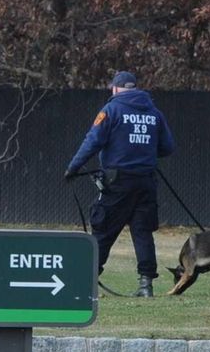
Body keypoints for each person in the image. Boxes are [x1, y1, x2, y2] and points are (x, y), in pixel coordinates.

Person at [64, 70, 175, 297]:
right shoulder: (154, 113)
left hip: (118, 181)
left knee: (103, 228)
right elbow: (167, 147)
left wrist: (73, 168)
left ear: (115, 89)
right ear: (135, 88)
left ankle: (87, 281)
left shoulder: (111, 110)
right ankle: (146, 285)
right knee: (142, 232)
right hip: (146, 182)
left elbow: (92, 141)